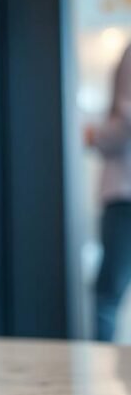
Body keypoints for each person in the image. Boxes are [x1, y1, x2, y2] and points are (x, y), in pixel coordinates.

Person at [87, 42, 131, 341]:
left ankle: (98, 368)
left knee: (106, 299)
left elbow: (126, 122)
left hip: (124, 194)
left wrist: (92, 134)